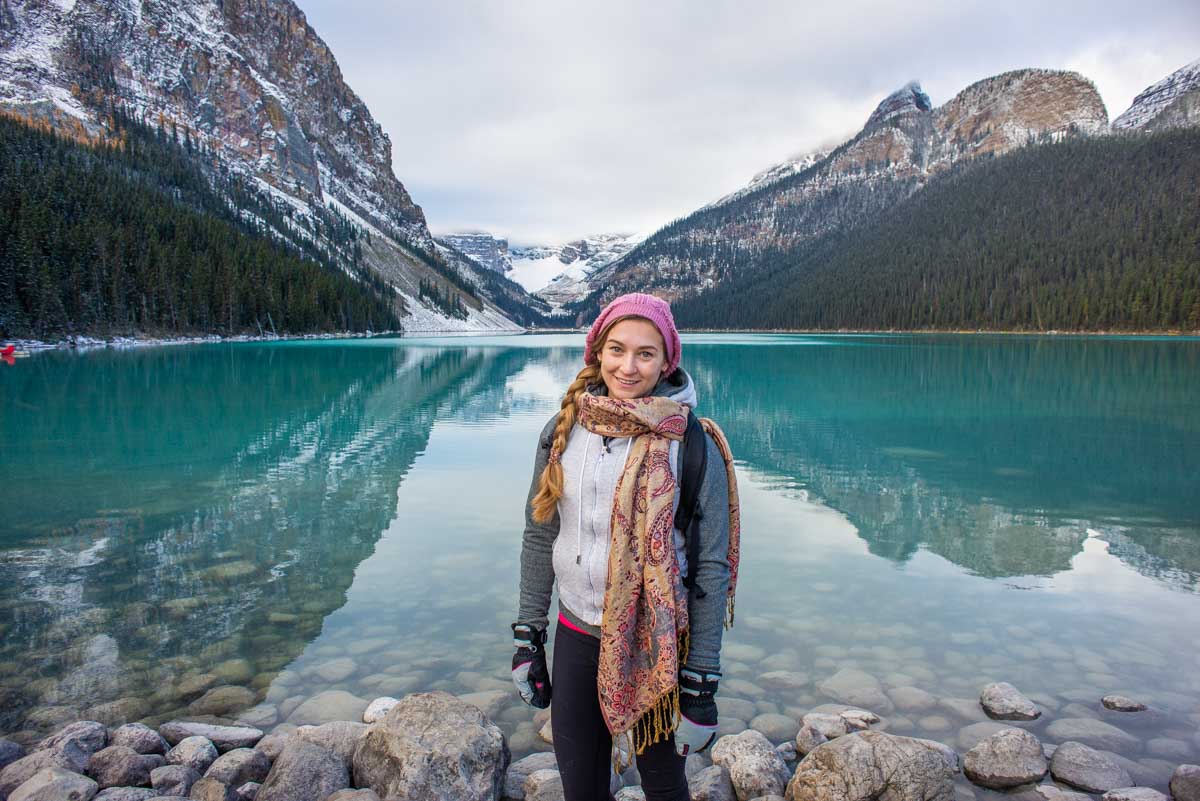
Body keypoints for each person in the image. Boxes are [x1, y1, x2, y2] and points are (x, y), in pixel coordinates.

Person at [511, 293, 741, 801]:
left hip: (658, 643)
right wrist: (529, 636)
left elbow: (710, 567)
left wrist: (701, 682)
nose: (628, 367)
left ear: (666, 362)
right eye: (617, 350)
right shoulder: (563, 430)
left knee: (664, 787)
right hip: (576, 632)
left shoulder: (692, 444)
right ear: (597, 352)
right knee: (582, 787)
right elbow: (540, 532)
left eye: (645, 354)